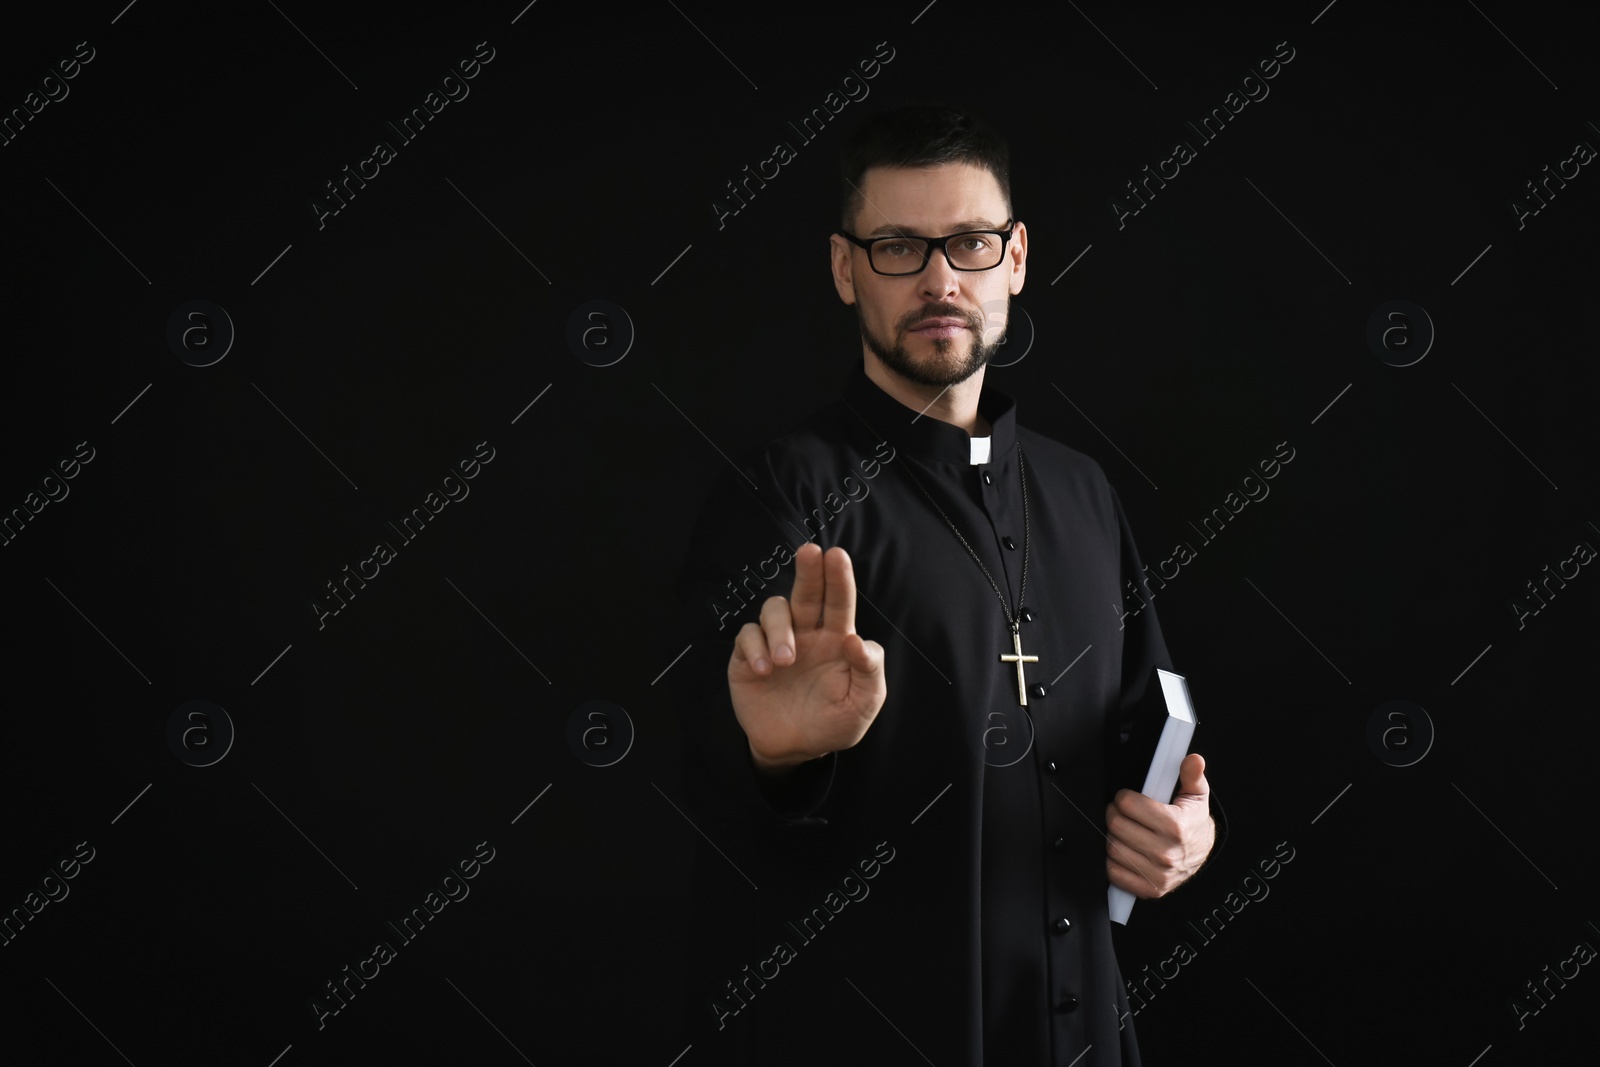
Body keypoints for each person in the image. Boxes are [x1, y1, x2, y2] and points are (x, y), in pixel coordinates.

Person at [670, 101, 1221, 1066]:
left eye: (968, 244)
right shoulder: (781, 490)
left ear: (1012, 258)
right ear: (846, 269)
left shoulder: (1081, 491)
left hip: (1084, 1027)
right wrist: (774, 753)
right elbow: (701, 793)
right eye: (897, 247)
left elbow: (1152, 734)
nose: (938, 280)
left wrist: (1185, 831)